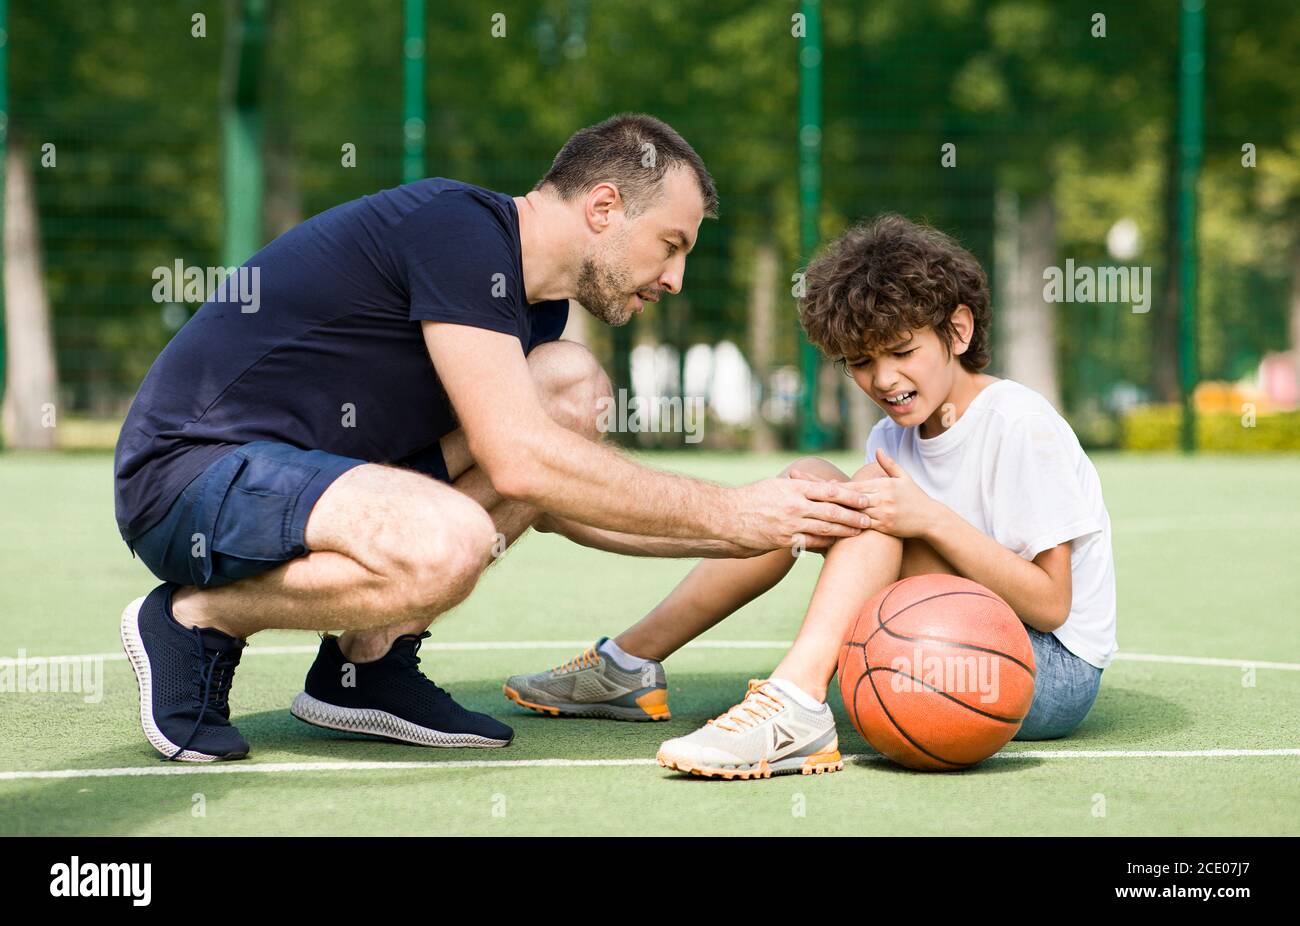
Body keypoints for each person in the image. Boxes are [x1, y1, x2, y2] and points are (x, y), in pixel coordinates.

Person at [114, 113, 873, 762]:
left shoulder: (533, 311)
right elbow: (519, 459)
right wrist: (732, 513)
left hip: (313, 476)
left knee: (568, 387)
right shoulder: (459, 231)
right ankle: (196, 619)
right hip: (192, 475)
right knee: (450, 539)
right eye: (671, 244)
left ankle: (366, 662)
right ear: (604, 207)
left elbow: (547, 494)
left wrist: (760, 532)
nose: (674, 278)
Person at [504, 213, 1117, 779]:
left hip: (1042, 668)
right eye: (861, 363)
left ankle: (796, 704)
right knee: (808, 484)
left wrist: (929, 521)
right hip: (944, 631)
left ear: (957, 330)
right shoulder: (892, 436)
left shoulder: (1017, 423)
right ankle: (628, 665)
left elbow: (1051, 604)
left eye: (903, 352)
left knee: (869, 510)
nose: (884, 380)